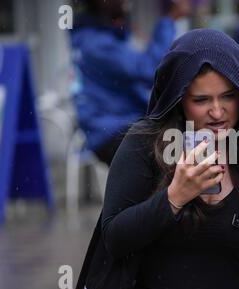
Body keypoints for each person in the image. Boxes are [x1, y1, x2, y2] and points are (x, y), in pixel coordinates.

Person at [73, 29, 239, 289]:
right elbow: (114, 238)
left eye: (228, 96)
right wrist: (174, 197)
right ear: (179, 99)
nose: (217, 112)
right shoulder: (144, 143)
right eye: (201, 100)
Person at [69, 0, 191, 166]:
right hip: (112, 132)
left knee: (185, 137)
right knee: (183, 149)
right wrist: (168, 20)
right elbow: (151, 70)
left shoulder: (95, 37)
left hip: (113, 128)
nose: (127, 3)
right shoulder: (98, 44)